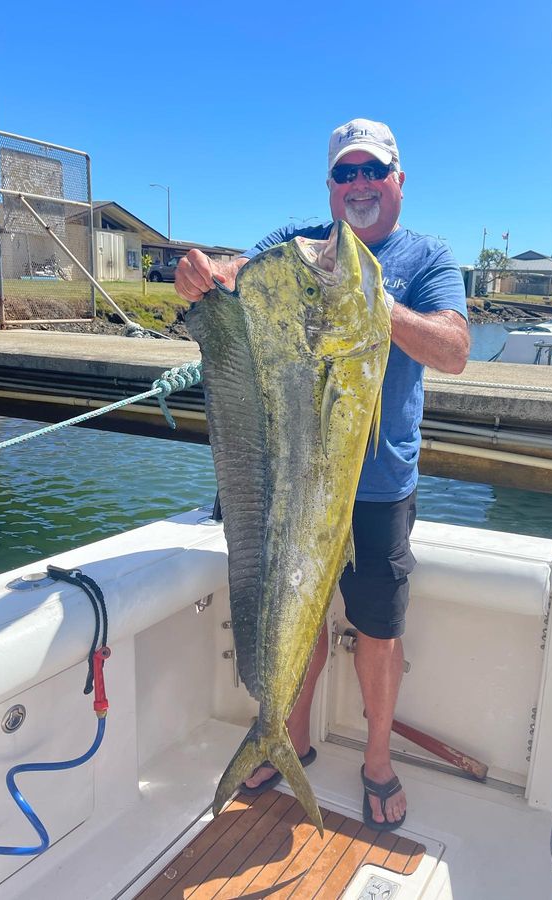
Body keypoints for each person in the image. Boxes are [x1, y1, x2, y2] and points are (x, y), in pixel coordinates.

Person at [175, 118, 469, 831]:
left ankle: (376, 762)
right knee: (292, 618)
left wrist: (372, 307)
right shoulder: (299, 247)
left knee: (377, 629)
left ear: (399, 180)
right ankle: (286, 739)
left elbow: (455, 349)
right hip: (289, 484)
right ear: (331, 186)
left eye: (374, 171)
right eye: (346, 173)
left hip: (379, 489)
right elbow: (237, 273)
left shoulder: (428, 257)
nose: (360, 184)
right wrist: (206, 274)